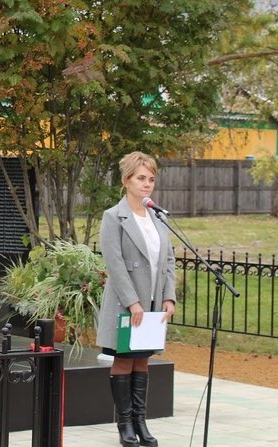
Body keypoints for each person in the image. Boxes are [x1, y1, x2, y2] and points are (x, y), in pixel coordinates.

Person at [96, 152, 176, 447]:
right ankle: (125, 425)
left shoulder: (158, 216)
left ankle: (141, 423)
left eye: (151, 179)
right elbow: (114, 264)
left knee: (142, 360)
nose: (147, 184)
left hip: (154, 305)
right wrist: (132, 302)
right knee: (124, 360)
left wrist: (169, 297)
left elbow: (168, 260)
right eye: (141, 178)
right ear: (126, 180)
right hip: (126, 304)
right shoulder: (113, 216)